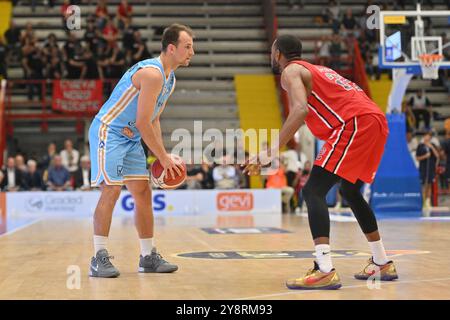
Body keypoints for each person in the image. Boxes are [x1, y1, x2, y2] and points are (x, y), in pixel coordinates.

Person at [243, 34, 397, 290]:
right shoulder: (318, 69)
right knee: (349, 191)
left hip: (355, 123)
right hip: (375, 121)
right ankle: (381, 261)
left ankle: (324, 268)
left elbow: (300, 109)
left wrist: (271, 150)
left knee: (312, 191)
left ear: (278, 54)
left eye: (272, 51)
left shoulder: (290, 71)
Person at [88, 23, 193, 278]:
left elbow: (153, 119)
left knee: (143, 192)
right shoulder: (152, 73)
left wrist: (164, 154)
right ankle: (98, 257)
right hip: (110, 132)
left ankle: (148, 256)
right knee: (112, 189)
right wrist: (163, 157)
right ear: (171, 48)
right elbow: (143, 122)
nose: (192, 51)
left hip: (132, 137)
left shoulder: (170, 78)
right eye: (187, 46)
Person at [416, 130, 439, 209]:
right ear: (424, 137)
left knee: (429, 185)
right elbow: (417, 158)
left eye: (429, 136)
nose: (427, 137)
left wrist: (431, 147)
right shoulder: (420, 146)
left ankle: (428, 202)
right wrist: (425, 156)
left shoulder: (432, 145)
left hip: (430, 168)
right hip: (423, 168)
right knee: (423, 185)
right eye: (426, 135)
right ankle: (422, 201)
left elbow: (437, 155)